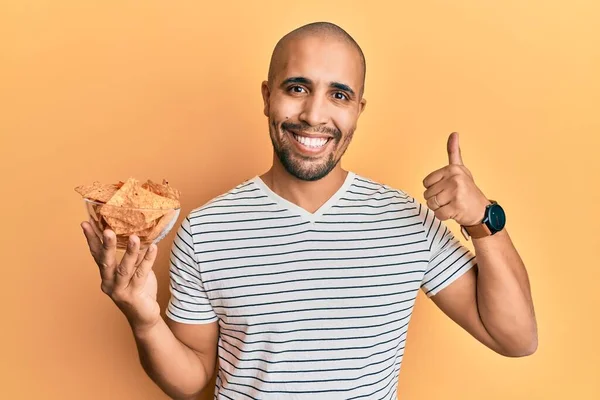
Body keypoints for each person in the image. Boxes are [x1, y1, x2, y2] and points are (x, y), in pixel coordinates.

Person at [81, 22, 537, 400]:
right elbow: (193, 377)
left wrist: (483, 221)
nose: (314, 115)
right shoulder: (205, 230)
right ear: (266, 97)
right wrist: (142, 317)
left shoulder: (408, 222)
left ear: (359, 109)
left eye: (338, 95)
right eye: (297, 88)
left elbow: (515, 339)